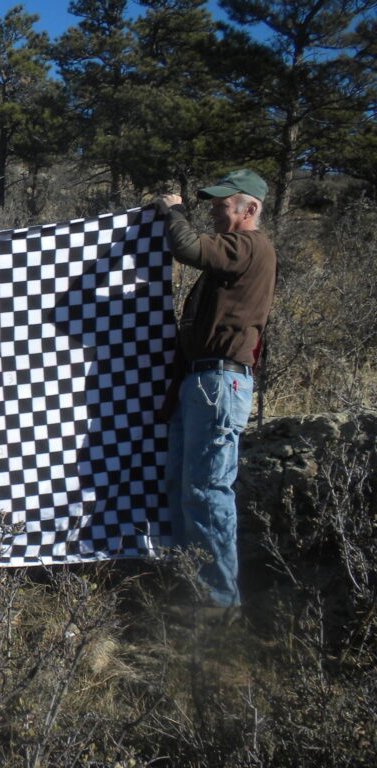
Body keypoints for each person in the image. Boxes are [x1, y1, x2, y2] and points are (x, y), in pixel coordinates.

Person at [156, 169, 276, 611]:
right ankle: (192, 585)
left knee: (206, 491)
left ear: (250, 209)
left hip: (218, 384)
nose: (213, 210)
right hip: (203, 382)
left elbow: (187, 247)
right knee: (182, 486)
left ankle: (217, 604)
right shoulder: (239, 250)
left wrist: (174, 211)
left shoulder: (249, 246)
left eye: (221, 205)